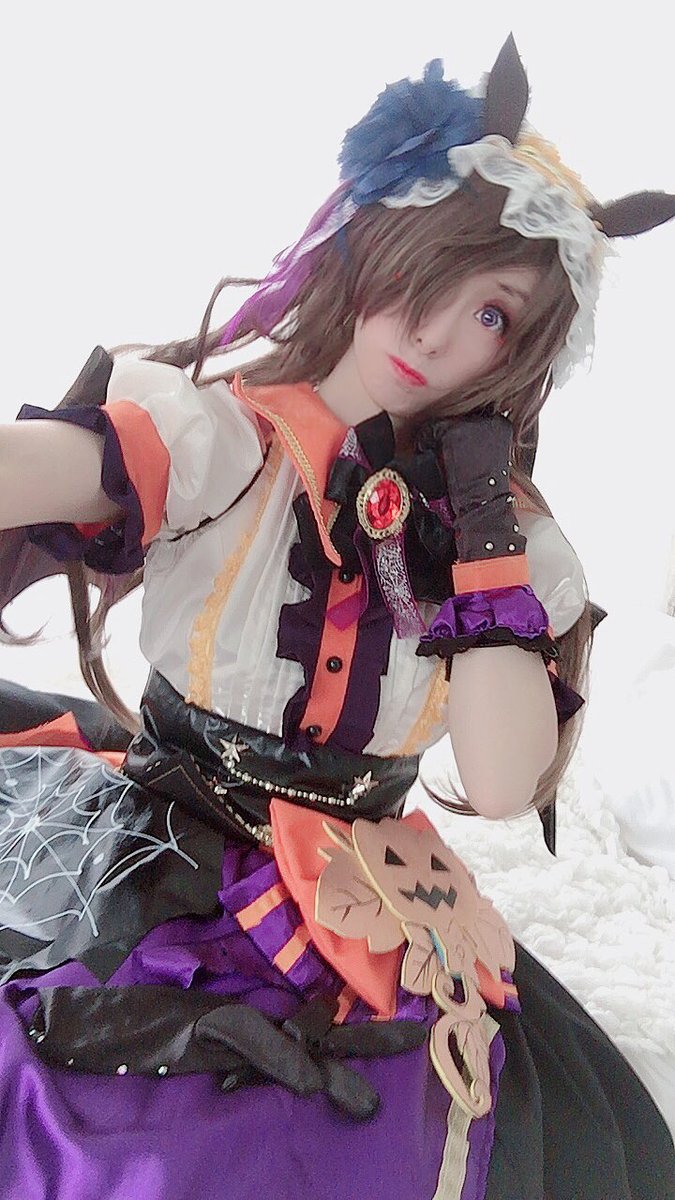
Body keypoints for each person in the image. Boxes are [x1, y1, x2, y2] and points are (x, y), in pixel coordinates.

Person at [0, 34, 672, 1200]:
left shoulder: (504, 542)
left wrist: (481, 534)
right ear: (375, 240)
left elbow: (500, 781)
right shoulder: (231, 444)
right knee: (122, 1113)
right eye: (433, 273)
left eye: (493, 315)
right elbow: (48, 468)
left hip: (357, 895)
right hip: (161, 842)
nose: (437, 332)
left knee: (320, 1132)